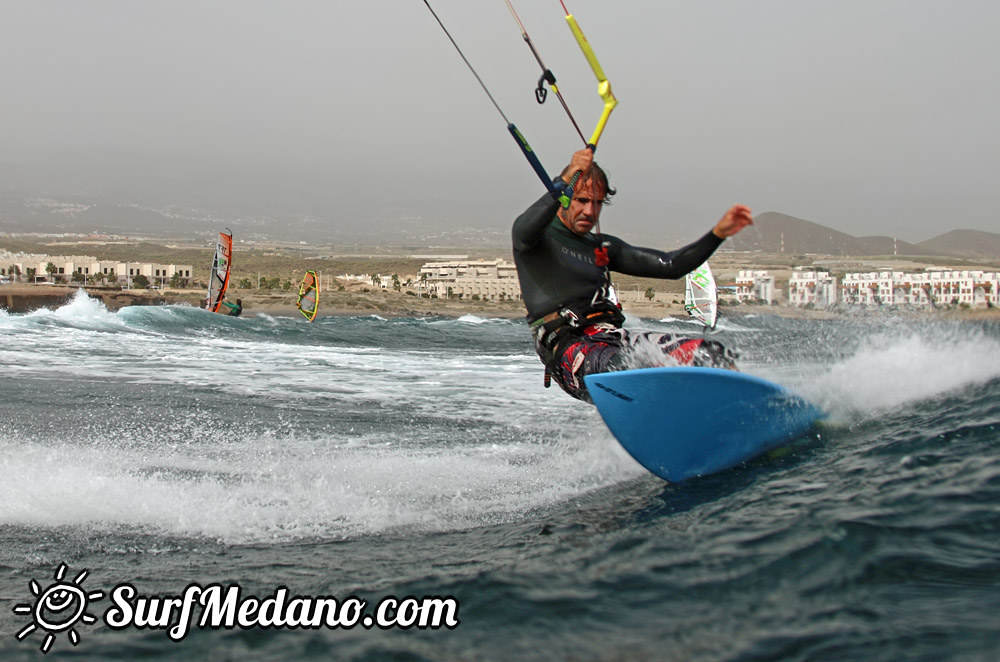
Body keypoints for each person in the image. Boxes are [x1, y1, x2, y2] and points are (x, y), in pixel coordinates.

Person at [512, 148, 753, 402]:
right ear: (564, 198)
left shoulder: (602, 247)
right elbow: (522, 228)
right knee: (628, 368)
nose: (590, 212)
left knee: (710, 353)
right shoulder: (537, 241)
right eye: (582, 200)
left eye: (597, 202)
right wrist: (566, 178)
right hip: (570, 353)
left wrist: (718, 234)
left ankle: (739, 411)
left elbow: (671, 266)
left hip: (614, 339)